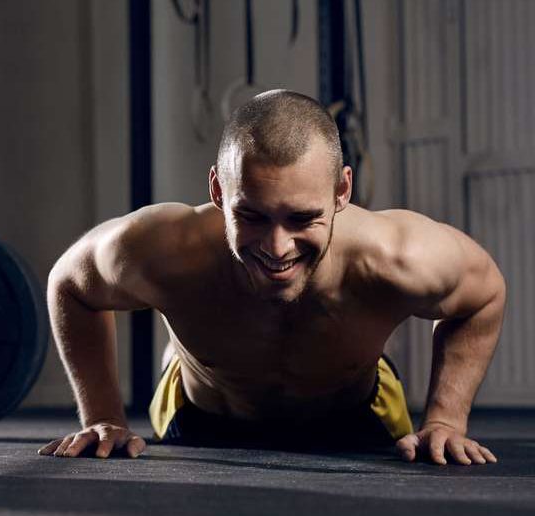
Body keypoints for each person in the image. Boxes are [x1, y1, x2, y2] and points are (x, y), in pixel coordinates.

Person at [38, 90, 504, 466]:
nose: (277, 247)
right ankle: (178, 353)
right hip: (202, 413)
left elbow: (483, 296)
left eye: (302, 218)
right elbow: (71, 284)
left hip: (356, 414)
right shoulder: (165, 250)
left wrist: (446, 420)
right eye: (253, 216)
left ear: (342, 190)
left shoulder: (397, 256)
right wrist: (101, 416)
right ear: (219, 190)